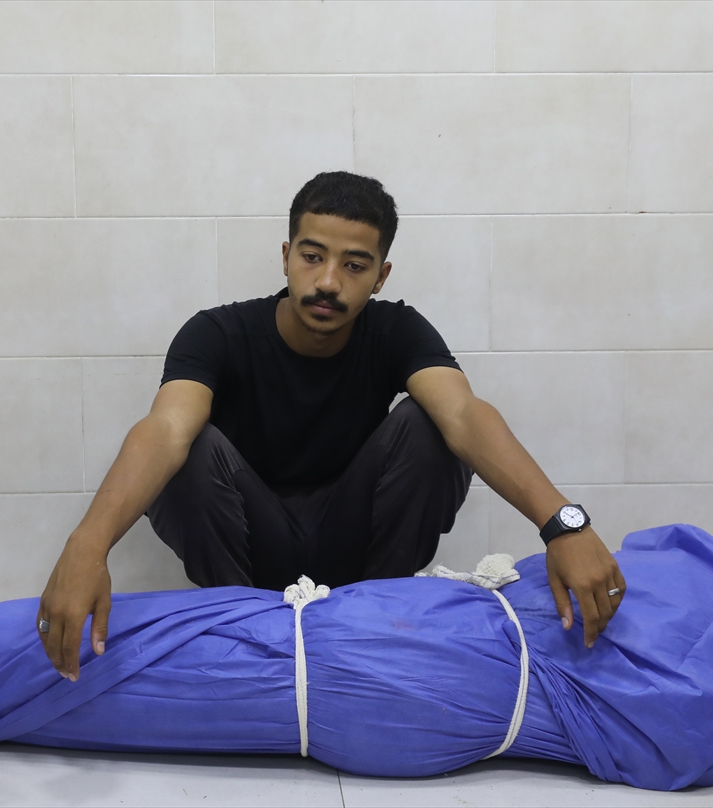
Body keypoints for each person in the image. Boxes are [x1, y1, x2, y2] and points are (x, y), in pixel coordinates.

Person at [38, 171, 625, 680]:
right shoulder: (217, 333)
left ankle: (376, 627)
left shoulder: (396, 332)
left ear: (382, 275)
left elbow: (466, 415)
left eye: (354, 265)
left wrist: (564, 525)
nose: (327, 282)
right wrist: (86, 545)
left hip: (358, 558)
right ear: (286, 255)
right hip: (248, 558)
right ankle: (244, 632)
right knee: (186, 446)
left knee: (432, 426)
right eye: (313, 256)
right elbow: (164, 431)